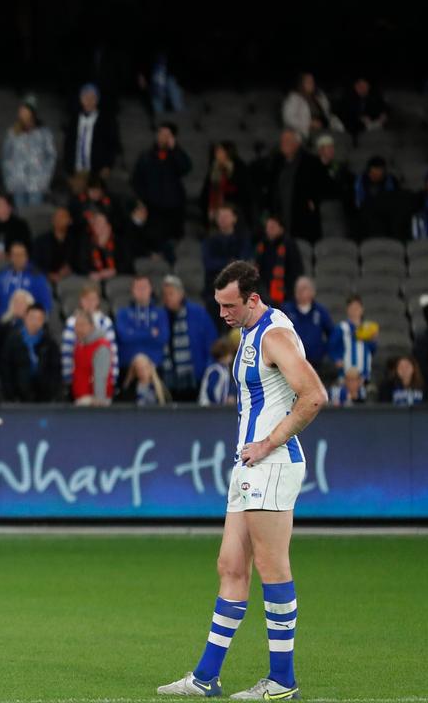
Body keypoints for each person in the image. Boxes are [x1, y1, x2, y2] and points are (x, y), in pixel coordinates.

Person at [158, 261, 325, 700]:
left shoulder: (274, 334)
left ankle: (282, 680)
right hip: (249, 466)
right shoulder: (251, 332)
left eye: (231, 305)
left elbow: (314, 396)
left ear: (253, 298)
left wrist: (268, 442)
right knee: (231, 566)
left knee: (273, 567)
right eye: (219, 306)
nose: (224, 314)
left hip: (271, 463)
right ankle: (205, 678)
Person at [256, 130, 325, 243]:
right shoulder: (276, 161)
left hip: (302, 217)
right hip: (280, 214)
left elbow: (320, 186)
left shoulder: (311, 161)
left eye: (287, 141)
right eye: (282, 141)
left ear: (297, 143)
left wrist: (313, 200)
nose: (283, 144)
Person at [131, 122, 192, 242]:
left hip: (173, 205)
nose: (162, 137)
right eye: (160, 133)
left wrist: (175, 149)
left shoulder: (177, 154)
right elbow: (137, 179)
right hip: (153, 204)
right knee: (154, 236)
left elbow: (185, 168)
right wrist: (140, 199)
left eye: (166, 135)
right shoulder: (146, 156)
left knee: (175, 237)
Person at [160, 275, 217, 402]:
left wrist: (207, 371)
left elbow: (212, 344)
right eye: (164, 294)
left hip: (196, 379)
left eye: (170, 293)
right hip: (170, 381)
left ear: (181, 294)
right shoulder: (161, 316)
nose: (167, 298)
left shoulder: (198, 314)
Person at [2, 95, 57, 206]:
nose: (22, 113)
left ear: (32, 113)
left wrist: (45, 178)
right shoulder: (13, 132)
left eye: (25, 110)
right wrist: (9, 180)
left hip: (37, 184)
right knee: (20, 215)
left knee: (35, 216)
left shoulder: (44, 132)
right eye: (21, 111)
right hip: (18, 184)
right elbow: (6, 158)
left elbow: (51, 156)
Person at [60, 285, 119, 385]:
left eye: (93, 299)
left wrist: (113, 376)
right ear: (81, 301)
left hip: (102, 374)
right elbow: (67, 351)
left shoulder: (106, 322)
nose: (90, 302)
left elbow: (112, 350)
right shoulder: (72, 322)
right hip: (79, 374)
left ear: (98, 301)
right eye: (86, 299)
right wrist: (68, 377)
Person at [1, 303, 61, 402]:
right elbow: (6, 369)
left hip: (44, 398)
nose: (35, 322)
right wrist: (10, 395)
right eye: (32, 317)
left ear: (43, 321)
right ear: (25, 317)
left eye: (39, 319)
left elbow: (55, 370)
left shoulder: (49, 342)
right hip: (18, 398)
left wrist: (52, 392)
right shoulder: (13, 340)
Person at [64, 83, 120, 182]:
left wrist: (108, 165)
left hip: (97, 169)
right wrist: (68, 166)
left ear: (97, 100)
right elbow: (68, 143)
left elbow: (112, 144)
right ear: (81, 99)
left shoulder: (106, 120)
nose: (89, 101)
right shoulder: (74, 119)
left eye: (92, 97)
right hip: (77, 168)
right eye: (85, 97)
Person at [0, 241, 54, 321]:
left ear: (26, 257)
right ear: (10, 257)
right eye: (14, 255)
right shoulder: (1, 276)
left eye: (20, 255)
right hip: (4, 323)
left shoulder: (37, 277)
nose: (17, 258)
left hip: (28, 325)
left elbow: (46, 304)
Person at [116, 275, 169, 372]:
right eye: (138, 288)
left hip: (155, 366)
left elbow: (163, 338)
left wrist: (134, 333)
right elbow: (124, 337)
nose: (141, 291)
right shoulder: (122, 313)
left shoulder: (161, 313)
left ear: (150, 289)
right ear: (132, 291)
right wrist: (150, 333)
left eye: (144, 287)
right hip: (129, 367)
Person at [281, 277, 334, 371]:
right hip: (291, 362)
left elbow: (332, 334)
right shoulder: (286, 310)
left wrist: (324, 350)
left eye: (303, 288)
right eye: (297, 288)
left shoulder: (320, 311)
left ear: (312, 292)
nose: (299, 291)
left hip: (316, 364)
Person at [254, 215, 304, 307]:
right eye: (267, 227)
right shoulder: (262, 245)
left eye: (272, 227)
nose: (269, 230)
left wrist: (289, 291)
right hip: (264, 293)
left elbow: (296, 270)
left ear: (281, 229)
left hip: (286, 294)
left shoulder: (289, 245)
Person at [328, 295, 377, 384]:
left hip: (364, 376)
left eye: (357, 308)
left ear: (362, 309)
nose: (355, 311)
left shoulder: (369, 328)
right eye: (352, 308)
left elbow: (372, 350)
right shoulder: (341, 328)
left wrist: (373, 341)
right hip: (346, 376)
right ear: (347, 310)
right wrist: (336, 359)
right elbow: (331, 346)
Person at [202, 206, 251, 294]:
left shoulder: (243, 240)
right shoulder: (209, 240)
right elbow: (209, 264)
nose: (222, 219)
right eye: (220, 216)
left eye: (226, 216)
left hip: (238, 288)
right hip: (214, 288)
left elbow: (243, 263)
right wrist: (230, 262)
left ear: (234, 218)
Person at [281, 72, 341, 142]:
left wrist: (335, 124)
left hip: (327, 128)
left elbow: (327, 114)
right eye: (308, 81)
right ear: (301, 83)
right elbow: (288, 119)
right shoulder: (294, 98)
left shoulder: (319, 96)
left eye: (312, 81)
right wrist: (309, 123)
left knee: (344, 137)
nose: (311, 83)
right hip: (308, 132)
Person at [71, 312, 114, 405]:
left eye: (82, 325)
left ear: (92, 326)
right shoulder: (79, 345)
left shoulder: (101, 347)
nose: (78, 329)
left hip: (93, 401)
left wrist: (99, 401)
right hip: (81, 398)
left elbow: (101, 376)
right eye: (76, 325)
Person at [201, 142, 249, 226]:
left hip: (232, 209)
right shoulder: (214, 168)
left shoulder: (239, 168)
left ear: (227, 153)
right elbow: (208, 189)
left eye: (220, 151)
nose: (216, 154)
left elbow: (243, 190)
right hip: (214, 209)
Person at [0, 193, 32, 265]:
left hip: (15, 261)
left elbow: (27, 248)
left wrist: (9, 256)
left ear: (9, 208)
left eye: (0, 205)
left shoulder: (20, 225)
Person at [32, 207, 80, 284]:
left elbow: (79, 262)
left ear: (70, 221)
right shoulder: (41, 240)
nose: (59, 220)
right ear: (52, 220)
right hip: (45, 276)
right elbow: (35, 264)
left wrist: (69, 269)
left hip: (68, 278)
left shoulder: (75, 241)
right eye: (56, 217)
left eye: (63, 217)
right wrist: (49, 275)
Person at [199, 337, 237, 406]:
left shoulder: (225, 369)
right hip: (208, 407)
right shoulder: (215, 370)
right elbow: (211, 390)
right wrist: (218, 404)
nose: (231, 357)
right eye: (230, 354)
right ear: (223, 355)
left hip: (218, 407)